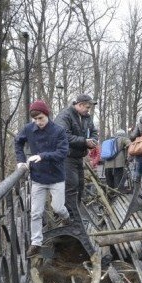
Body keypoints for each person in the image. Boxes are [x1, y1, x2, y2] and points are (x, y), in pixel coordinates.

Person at [14, 100, 70, 258]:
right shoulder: (28, 129)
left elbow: (63, 153)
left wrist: (43, 156)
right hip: (37, 177)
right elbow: (18, 142)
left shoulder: (58, 131)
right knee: (36, 213)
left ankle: (66, 219)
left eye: (41, 118)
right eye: (35, 119)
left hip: (56, 177)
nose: (38, 122)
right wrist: (20, 160)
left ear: (47, 115)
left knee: (58, 208)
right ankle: (36, 243)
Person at [54, 94, 99, 218]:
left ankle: (75, 215)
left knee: (80, 186)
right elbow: (63, 136)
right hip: (66, 157)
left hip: (79, 157)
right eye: (87, 107)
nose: (88, 110)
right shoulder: (65, 116)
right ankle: (69, 217)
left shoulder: (86, 117)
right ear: (79, 105)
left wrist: (93, 141)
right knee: (71, 186)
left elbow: (94, 131)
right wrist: (84, 141)